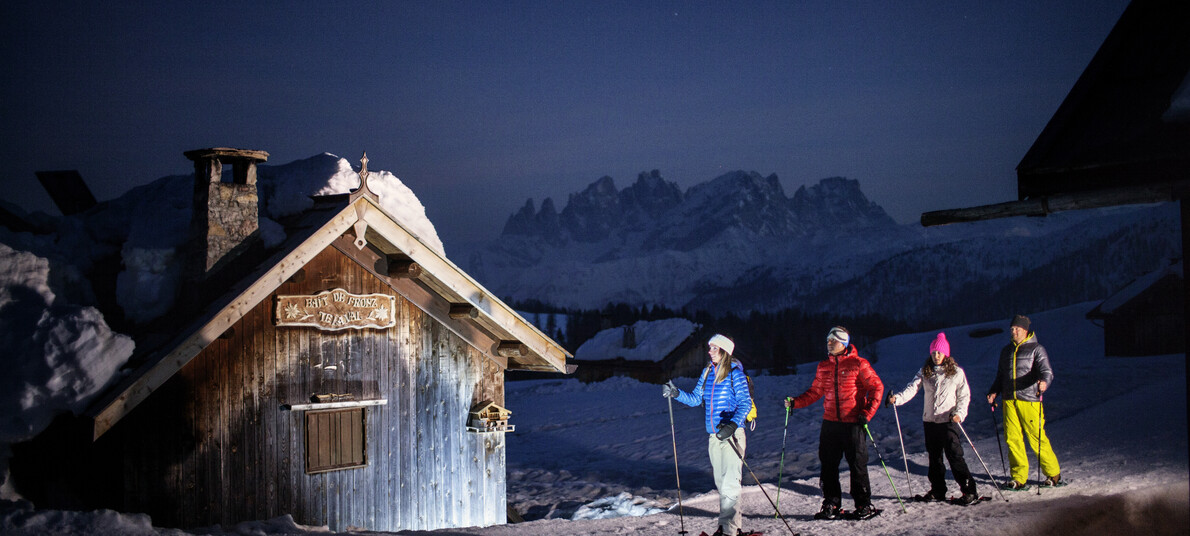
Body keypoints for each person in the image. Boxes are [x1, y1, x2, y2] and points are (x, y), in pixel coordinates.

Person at [784, 326, 884, 520]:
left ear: (844, 343)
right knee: (828, 465)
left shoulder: (858, 364)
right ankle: (832, 503)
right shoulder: (824, 366)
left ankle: (863, 504)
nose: (829, 343)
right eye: (828, 340)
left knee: (857, 464)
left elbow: (876, 387)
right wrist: (796, 402)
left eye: (833, 340)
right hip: (830, 423)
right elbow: (815, 392)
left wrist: (867, 413)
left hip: (853, 422)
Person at [663, 334, 752, 536]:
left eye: (714, 348)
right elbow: (696, 399)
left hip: (732, 435)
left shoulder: (734, 374)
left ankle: (729, 530)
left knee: (730, 484)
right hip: (714, 436)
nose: (710, 351)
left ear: (725, 351)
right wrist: (676, 393)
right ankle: (727, 527)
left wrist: (732, 425)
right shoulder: (707, 372)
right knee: (721, 484)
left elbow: (745, 403)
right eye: (710, 347)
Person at [888, 332, 979, 504]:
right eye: (933, 353)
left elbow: (964, 396)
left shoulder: (956, 372)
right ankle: (938, 490)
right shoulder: (925, 372)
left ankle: (969, 491)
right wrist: (897, 399)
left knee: (954, 456)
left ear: (946, 354)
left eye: (939, 352)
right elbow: (912, 388)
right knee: (934, 458)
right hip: (930, 421)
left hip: (949, 420)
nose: (936, 356)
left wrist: (959, 413)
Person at [986, 314, 1061, 489]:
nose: (1013, 332)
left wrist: (1044, 382)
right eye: (1012, 329)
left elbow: (1047, 372)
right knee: (1012, 438)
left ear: (1025, 330)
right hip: (1009, 400)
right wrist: (994, 391)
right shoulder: (1006, 351)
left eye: (1017, 329)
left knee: (1036, 437)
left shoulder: (1037, 349)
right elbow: (1001, 376)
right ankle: (1019, 478)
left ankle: (1053, 474)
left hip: (1029, 399)